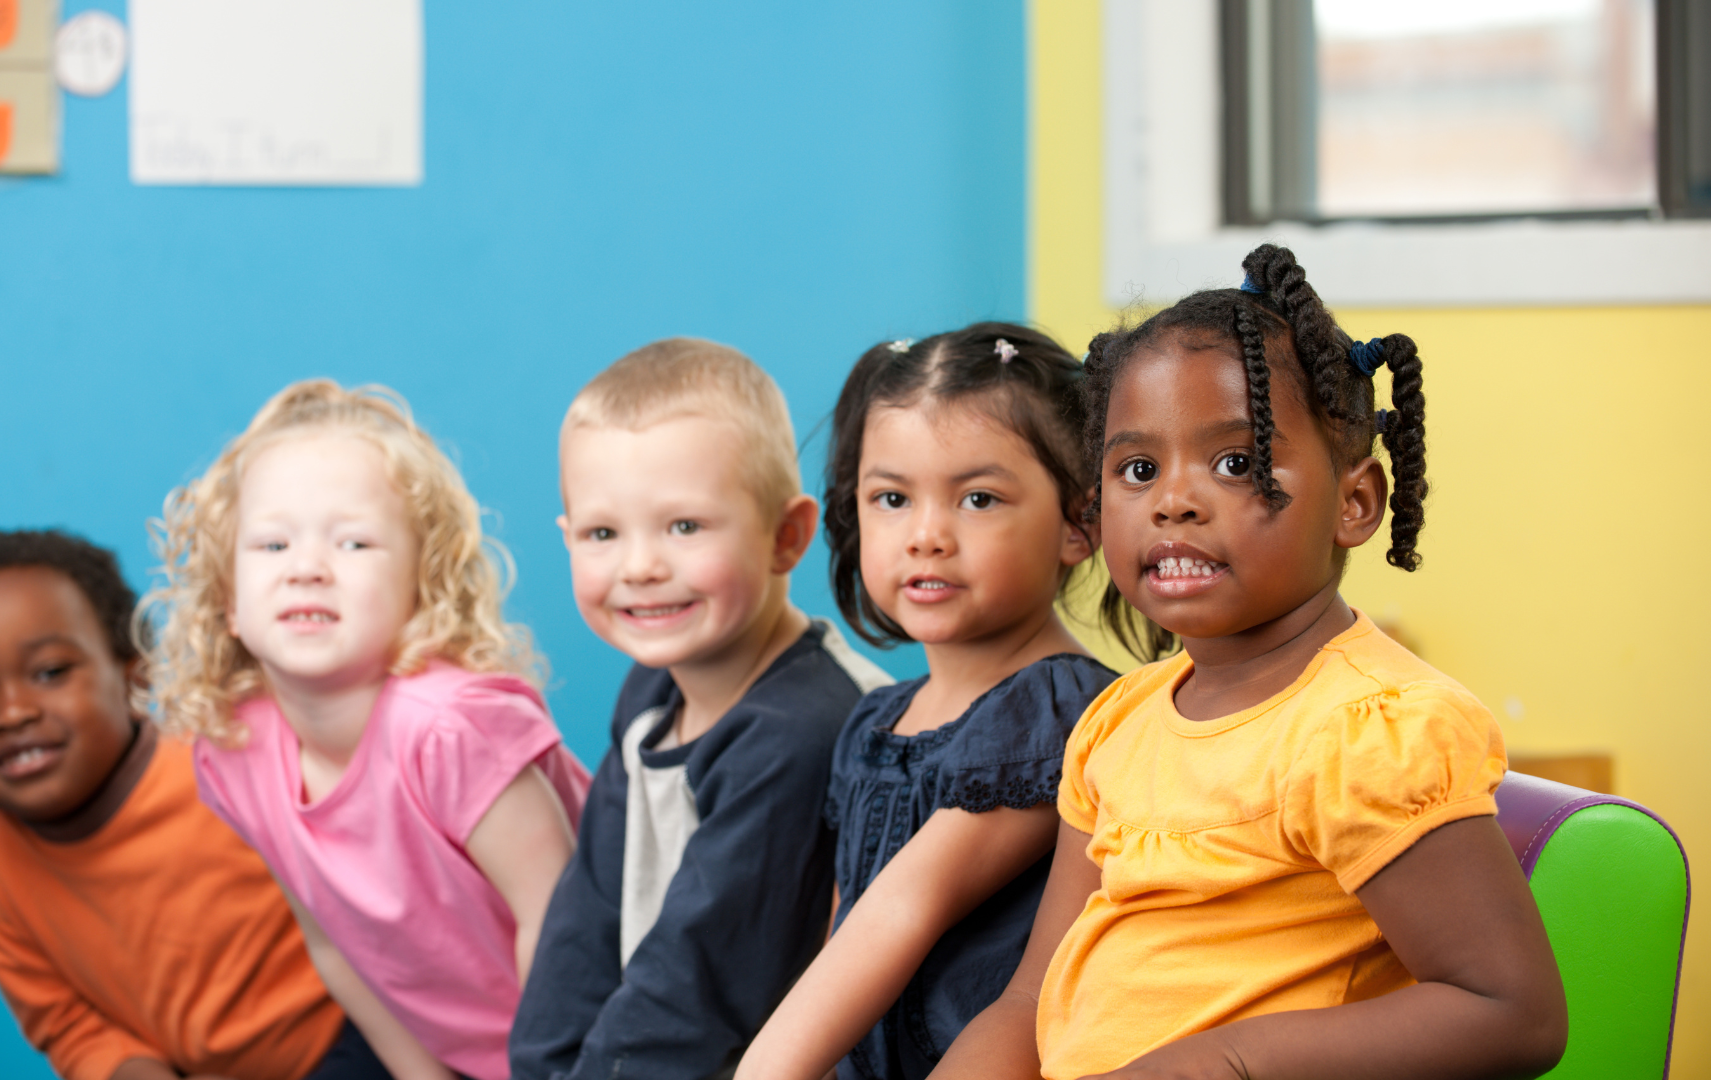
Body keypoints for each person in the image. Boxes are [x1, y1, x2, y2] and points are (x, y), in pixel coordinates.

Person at [935, 245, 1567, 1079]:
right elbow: (1029, 999)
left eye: (1235, 462)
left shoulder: (1368, 731)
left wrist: (1231, 1060)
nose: (1173, 499)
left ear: (1354, 502)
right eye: (1137, 468)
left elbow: (1510, 1013)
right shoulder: (1119, 724)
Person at [145, 380, 592, 1080]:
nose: (307, 568)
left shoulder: (449, 730)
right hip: (465, 1056)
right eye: (271, 544)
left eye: (354, 542)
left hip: (605, 1035)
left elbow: (565, 925)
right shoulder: (234, 748)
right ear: (228, 600)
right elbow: (331, 943)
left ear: (424, 586)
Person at [737, 324, 1128, 1080]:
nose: (925, 536)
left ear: (1081, 522)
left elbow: (905, 907)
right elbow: (844, 937)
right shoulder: (875, 719)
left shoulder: (1061, 708)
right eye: (891, 497)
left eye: (978, 498)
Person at [510, 338, 895, 1080]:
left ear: (787, 536)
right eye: (601, 533)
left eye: (684, 526)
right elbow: (587, 921)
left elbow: (700, 978)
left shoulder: (804, 727)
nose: (641, 566)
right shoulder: (654, 692)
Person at [0, 529, 384, 1080]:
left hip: (365, 1035)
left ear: (136, 672)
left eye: (51, 673)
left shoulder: (227, 761)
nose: (13, 713)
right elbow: (69, 1025)